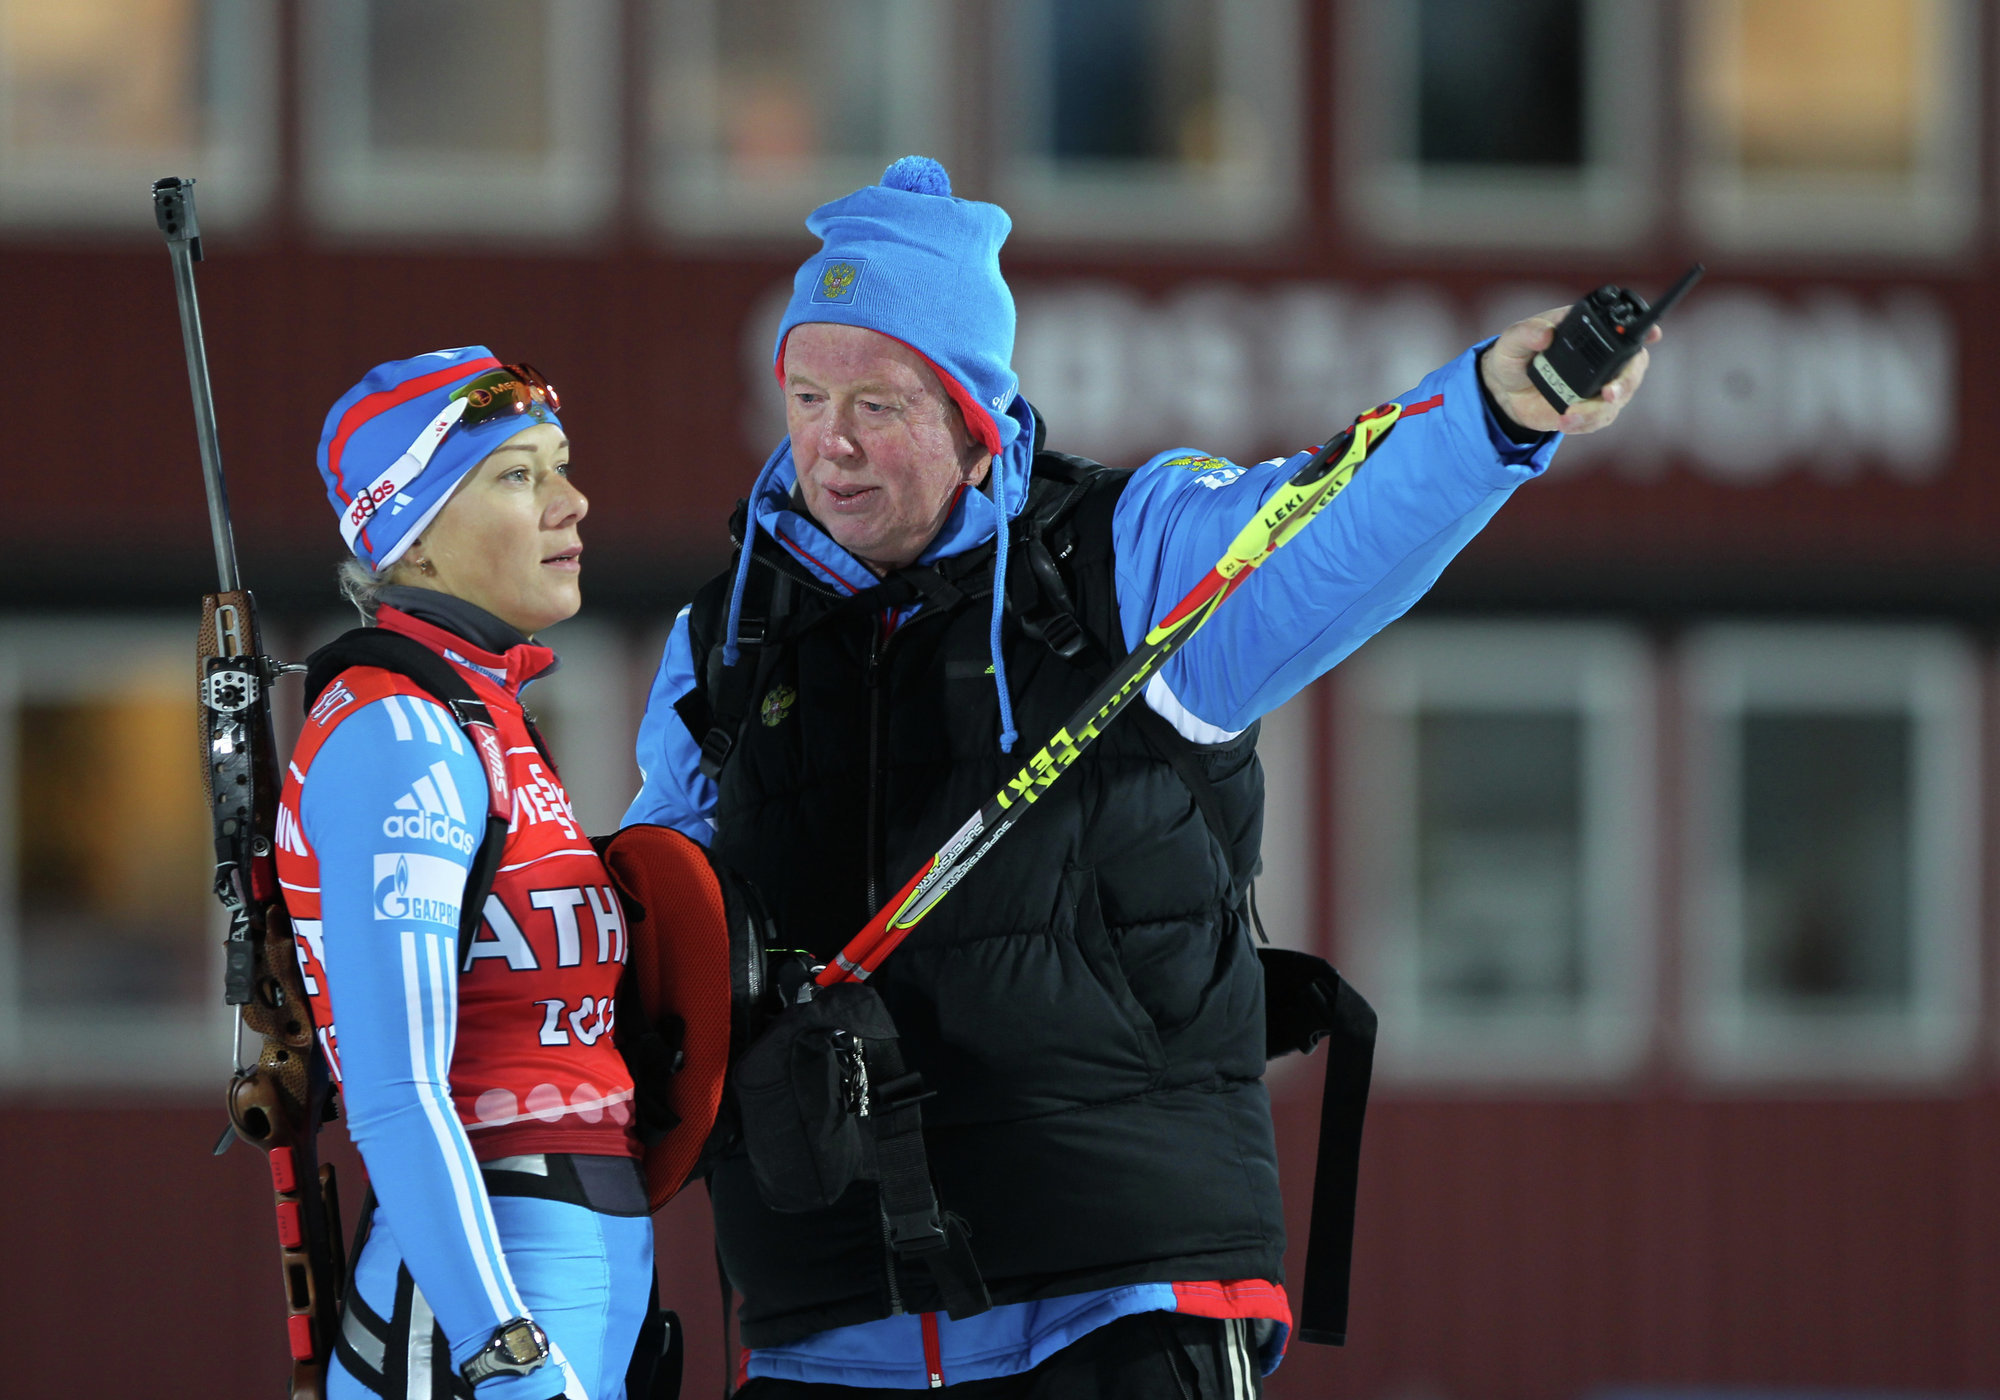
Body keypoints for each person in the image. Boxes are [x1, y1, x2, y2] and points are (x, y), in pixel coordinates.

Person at [625, 157, 1656, 1397]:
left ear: (973, 414)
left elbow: (1318, 530)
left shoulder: (1113, 559)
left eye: (881, 403)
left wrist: (1492, 410)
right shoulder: (725, 637)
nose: (830, 441)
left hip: (1112, 1288)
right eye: (804, 393)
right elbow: (654, 949)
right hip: (831, 1313)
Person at [278, 349, 652, 1400]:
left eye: (560, 465)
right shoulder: (399, 730)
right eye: (518, 475)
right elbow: (396, 1093)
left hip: (565, 1256)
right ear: (417, 534)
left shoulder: (485, 717)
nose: (572, 503)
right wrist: (508, 1354)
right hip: (482, 1295)